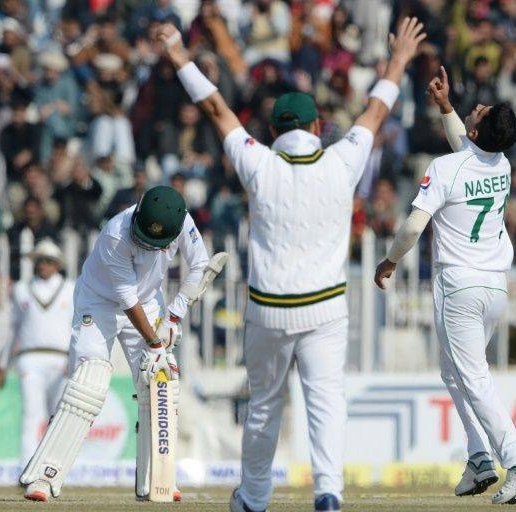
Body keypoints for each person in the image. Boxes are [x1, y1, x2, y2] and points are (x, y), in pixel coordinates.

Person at [158, 18, 426, 512]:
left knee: (264, 407)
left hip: (269, 309)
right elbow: (375, 109)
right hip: (325, 308)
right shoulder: (343, 160)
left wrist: (178, 56)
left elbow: (216, 108)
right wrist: (399, 60)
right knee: (327, 403)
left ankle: (254, 498)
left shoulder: (258, 162)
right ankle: (328, 493)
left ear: (274, 130)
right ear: (317, 127)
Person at [373, 66, 516, 505]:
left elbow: (414, 224)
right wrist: (446, 106)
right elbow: (464, 153)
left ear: (478, 128)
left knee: (472, 376)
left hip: (460, 286)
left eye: (481, 110)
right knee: (454, 373)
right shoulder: (500, 164)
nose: (478, 107)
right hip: (495, 287)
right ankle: (479, 457)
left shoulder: (446, 165)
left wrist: (390, 261)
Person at [19, 185, 209, 503]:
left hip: (149, 303)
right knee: (89, 380)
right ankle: (44, 476)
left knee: (161, 380)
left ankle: (158, 478)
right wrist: (155, 340)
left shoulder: (184, 223)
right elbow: (127, 299)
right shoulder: (115, 233)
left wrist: (174, 318)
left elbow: (200, 266)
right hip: (100, 302)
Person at [0, 239, 75, 464]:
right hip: (30, 358)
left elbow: (77, 327)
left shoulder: (71, 289)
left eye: (48, 261)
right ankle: (26, 468)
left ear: (57, 264)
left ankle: (52, 468)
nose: (43, 266)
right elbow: (14, 328)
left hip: (61, 359)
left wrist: (76, 358)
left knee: (58, 416)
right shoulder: (21, 289)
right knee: (32, 414)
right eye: (39, 261)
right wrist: (3, 363)